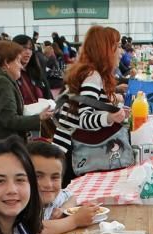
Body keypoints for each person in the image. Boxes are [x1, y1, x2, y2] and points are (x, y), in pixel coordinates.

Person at [51, 25, 128, 185]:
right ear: (106, 49)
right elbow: (84, 118)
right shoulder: (93, 76)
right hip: (73, 153)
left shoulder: (89, 72)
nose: (121, 52)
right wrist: (110, 117)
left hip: (67, 148)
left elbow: (89, 102)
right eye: (118, 46)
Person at [0, 41, 50, 151]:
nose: (21, 66)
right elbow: (9, 120)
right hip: (3, 147)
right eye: (18, 61)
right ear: (6, 63)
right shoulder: (1, 82)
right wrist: (39, 118)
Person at [27, 140, 100, 234]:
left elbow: (71, 197)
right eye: (38, 176)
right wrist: (75, 220)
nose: (48, 184)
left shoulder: (53, 196)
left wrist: (64, 209)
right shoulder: (20, 204)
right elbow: (36, 230)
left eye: (54, 177)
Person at [15, 34, 52, 100]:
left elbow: (48, 97)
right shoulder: (11, 75)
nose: (28, 52)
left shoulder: (37, 72)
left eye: (30, 49)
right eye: (24, 47)